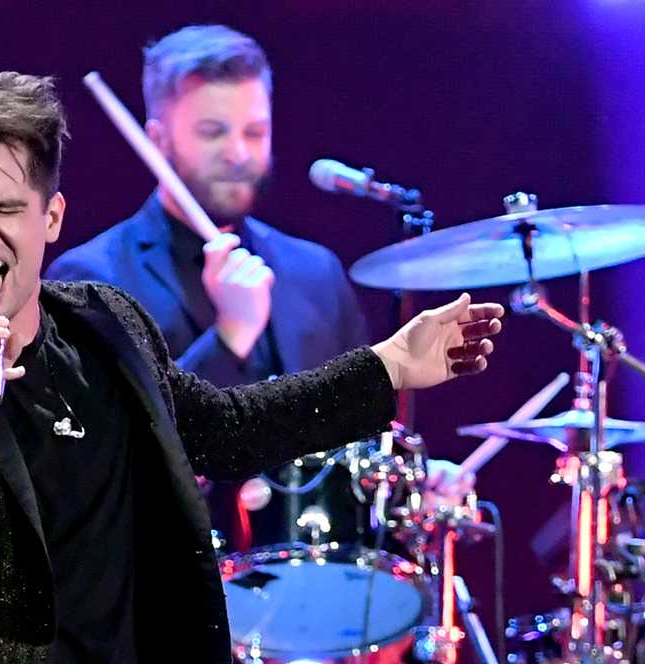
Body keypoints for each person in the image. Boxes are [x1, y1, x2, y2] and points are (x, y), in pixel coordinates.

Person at [0, 70, 502, 664]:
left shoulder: (106, 327)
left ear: (50, 217)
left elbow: (228, 428)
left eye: (5, 207)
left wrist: (389, 365)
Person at [47, 25, 468, 550]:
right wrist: (230, 337)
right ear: (157, 139)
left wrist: (413, 487)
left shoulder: (314, 271)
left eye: (254, 131)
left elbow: (363, 443)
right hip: (168, 592)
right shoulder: (89, 280)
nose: (238, 152)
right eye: (212, 132)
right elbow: (103, 463)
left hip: (321, 596)